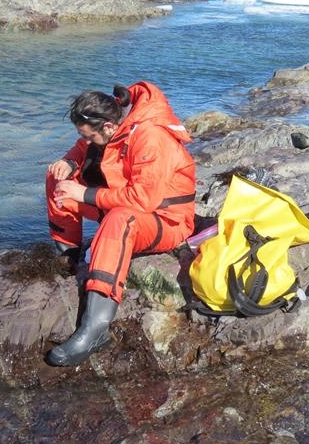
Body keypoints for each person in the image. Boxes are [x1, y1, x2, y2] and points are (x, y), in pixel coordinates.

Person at [45, 81, 196, 366]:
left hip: (166, 220)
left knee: (119, 218)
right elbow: (82, 149)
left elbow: (143, 200)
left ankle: (95, 328)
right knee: (57, 179)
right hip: (126, 203)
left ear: (108, 128)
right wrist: (70, 163)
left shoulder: (151, 137)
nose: (85, 142)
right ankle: (69, 258)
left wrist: (85, 194)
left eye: (89, 136)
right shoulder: (114, 123)